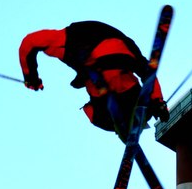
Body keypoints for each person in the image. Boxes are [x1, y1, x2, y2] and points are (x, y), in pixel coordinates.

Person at [19, 20, 169, 140]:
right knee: (132, 93)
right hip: (122, 61)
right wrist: (158, 101)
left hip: (97, 68)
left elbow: (30, 42)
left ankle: (118, 120)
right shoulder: (129, 47)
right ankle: (135, 116)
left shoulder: (65, 38)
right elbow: (148, 74)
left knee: (96, 114)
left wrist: (31, 77)